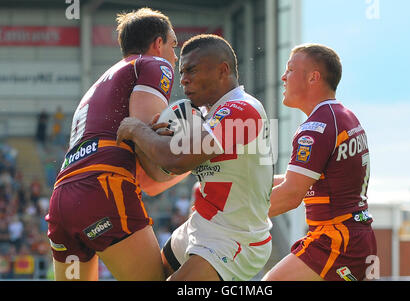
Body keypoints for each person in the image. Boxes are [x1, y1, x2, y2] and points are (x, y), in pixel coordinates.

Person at [45, 7, 188, 281]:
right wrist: (196, 155)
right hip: (103, 191)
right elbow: (153, 150)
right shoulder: (155, 65)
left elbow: (149, 181)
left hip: (63, 200)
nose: (175, 54)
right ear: (158, 44)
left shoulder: (100, 83)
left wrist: (188, 168)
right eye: (173, 45)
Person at [117, 34, 274, 281]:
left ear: (223, 71)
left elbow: (176, 161)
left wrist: (138, 130)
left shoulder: (241, 110)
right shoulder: (203, 114)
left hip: (236, 237)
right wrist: (158, 138)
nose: (183, 80)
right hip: (203, 224)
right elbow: (167, 166)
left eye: (191, 70)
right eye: (181, 72)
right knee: (149, 275)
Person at [262, 44, 377, 281]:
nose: (283, 77)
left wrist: (228, 216)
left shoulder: (316, 128)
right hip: (352, 237)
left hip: (336, 242)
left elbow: (291, 194)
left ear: (314, 77)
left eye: (291, 69)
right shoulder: (342, 115)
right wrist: (238, 190)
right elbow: (299, 181)